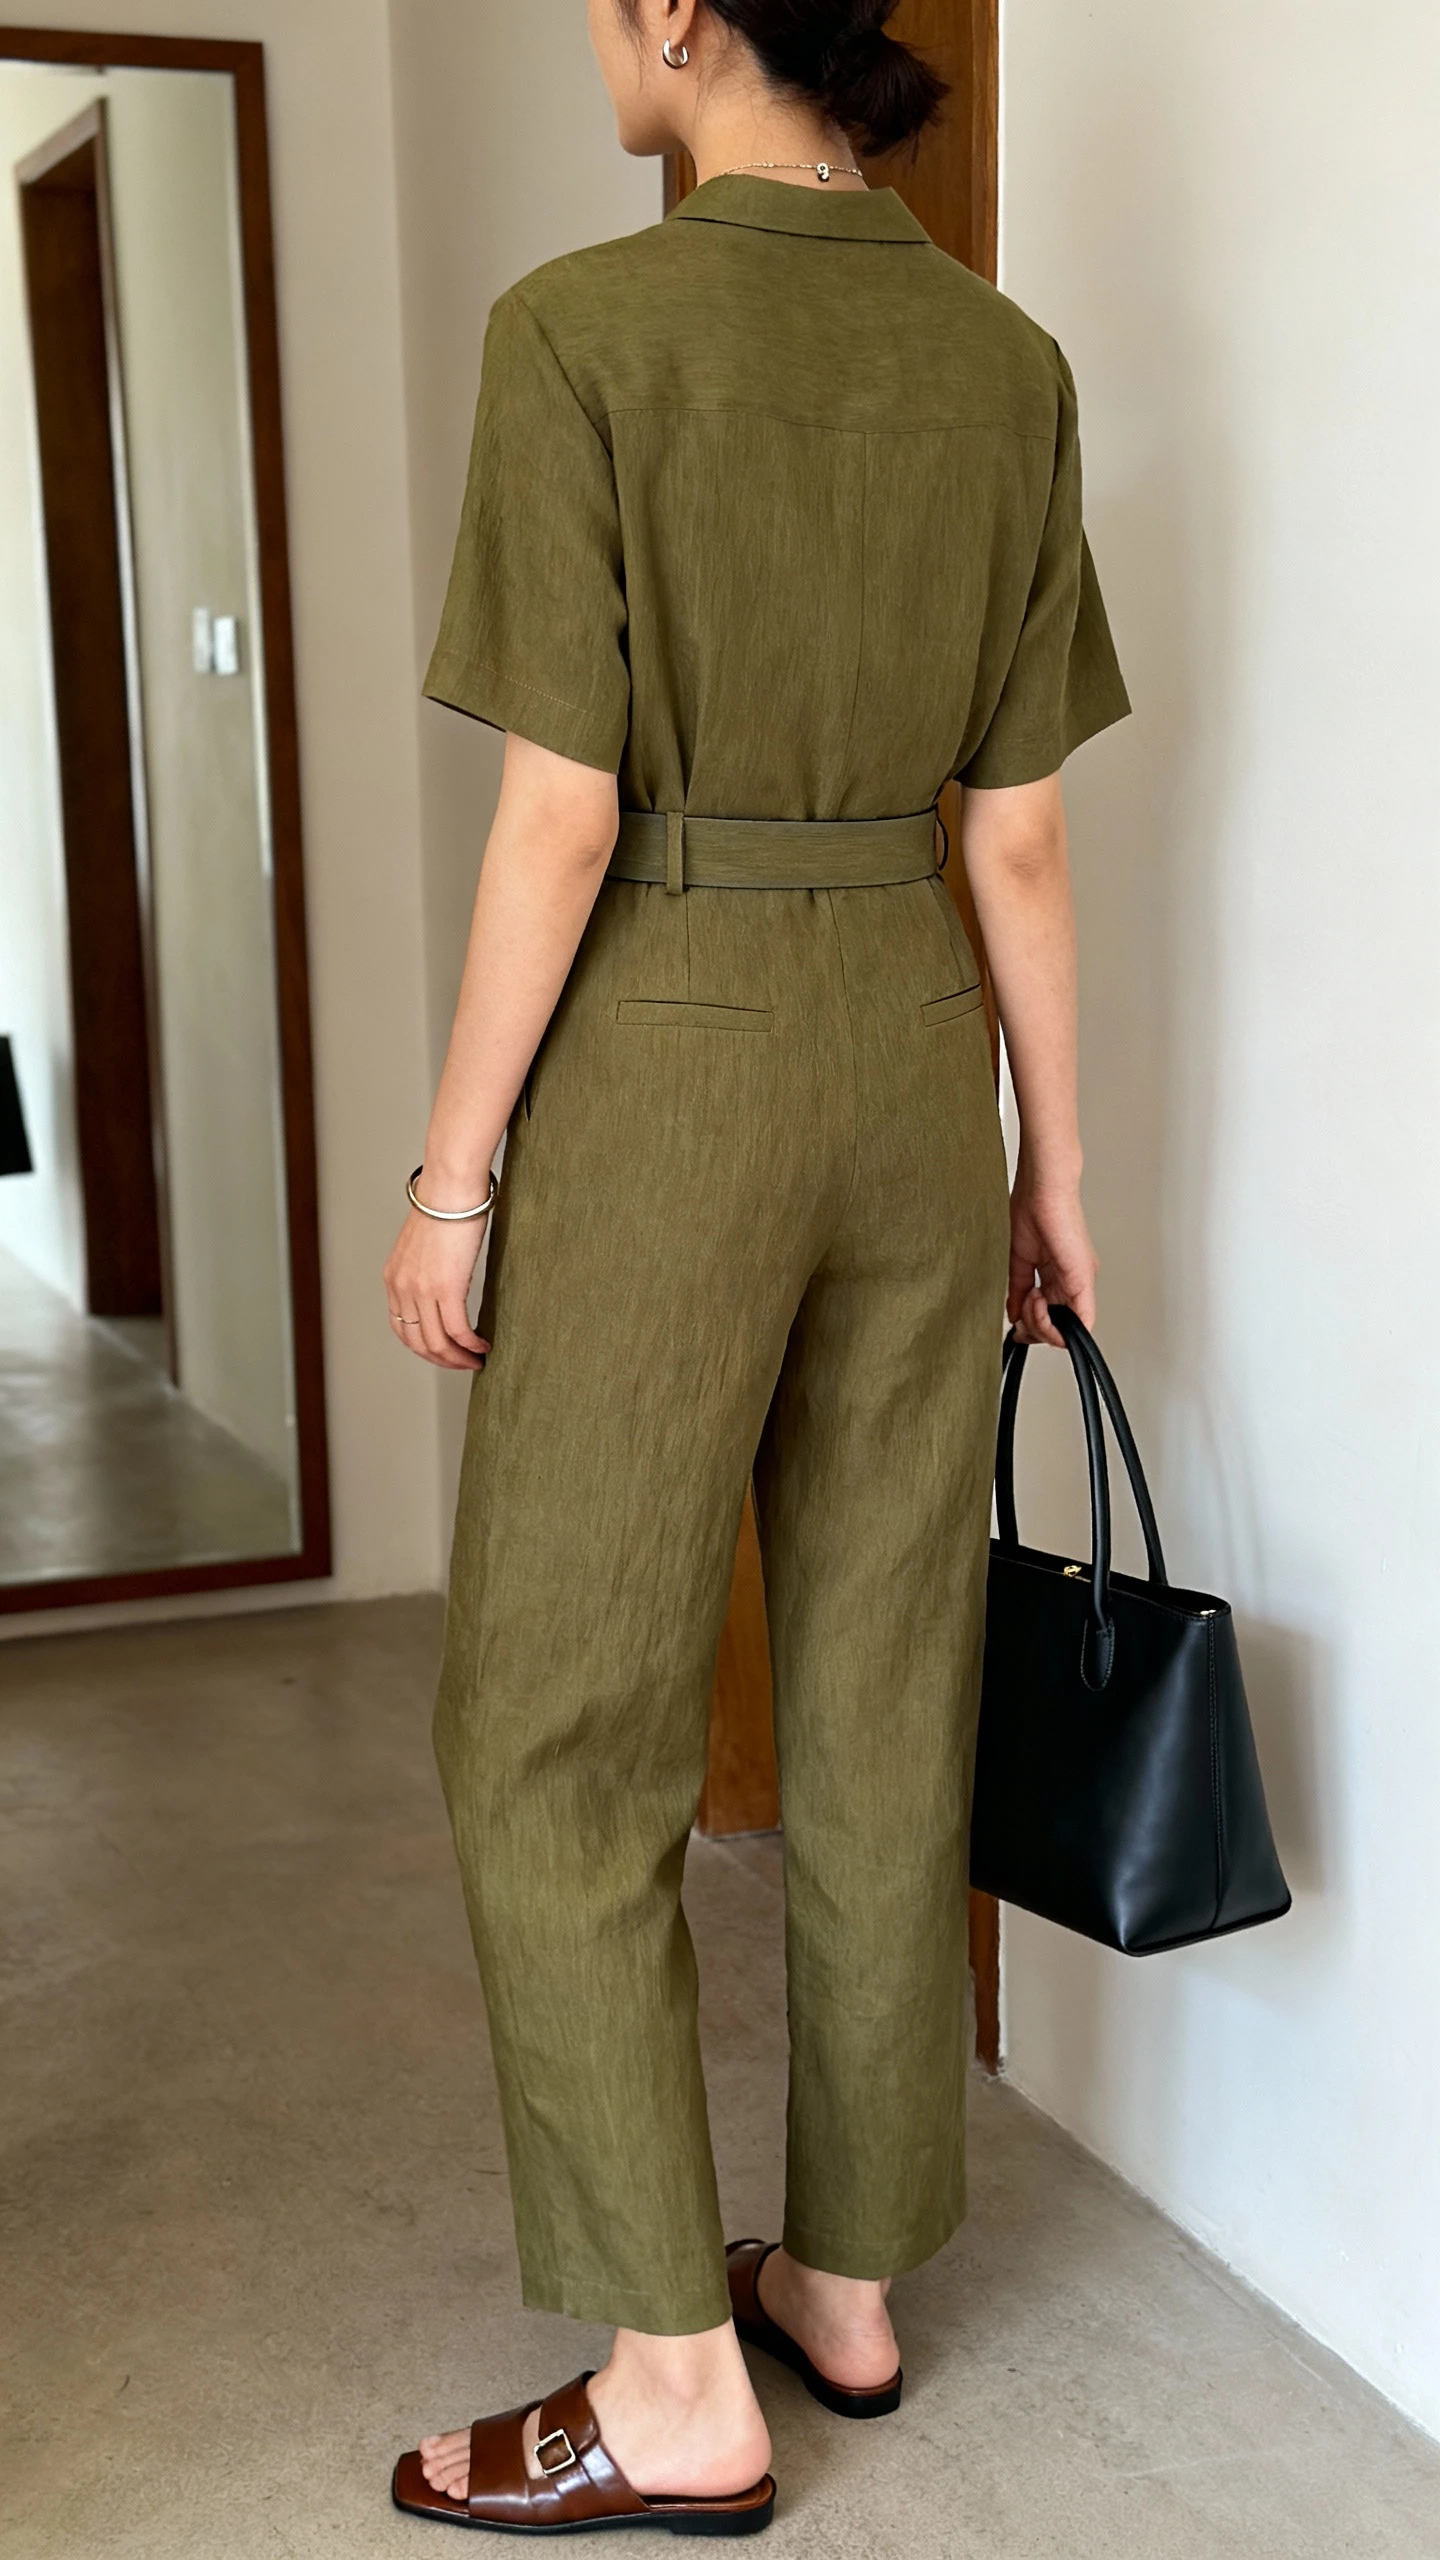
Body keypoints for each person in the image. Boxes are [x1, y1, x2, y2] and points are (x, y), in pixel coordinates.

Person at [385, 0, 1128, 2535]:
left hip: (671, 1059)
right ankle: (850, 2276)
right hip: (917, 1057)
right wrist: (1053, 1158)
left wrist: (456, 1164)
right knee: (885, 1671)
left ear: (687, 12)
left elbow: (562, 812)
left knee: (554, 1713)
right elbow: (1013, 833)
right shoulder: (1002, 360)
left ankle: (672, 2378)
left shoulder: (585, 332)